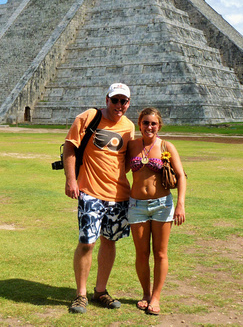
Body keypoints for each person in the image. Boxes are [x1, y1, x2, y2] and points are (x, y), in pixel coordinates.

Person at [63, 83, 135, 314]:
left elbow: (129, 161)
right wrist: (71, 180)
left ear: (129, 103)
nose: (119, 105)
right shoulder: (89, 117)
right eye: (115, 100)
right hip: (90, 192)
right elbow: (70, 147)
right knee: (87, 242)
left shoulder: (129, 127)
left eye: (124, 101)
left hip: (118, 195)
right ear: (107, 99)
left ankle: (100, 291)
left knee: (109, 241)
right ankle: (81, 294)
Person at [127, 107, 186, 316]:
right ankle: (145, 293)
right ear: (139, 124)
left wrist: (180, 204)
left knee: (160, 253)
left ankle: (156, 296)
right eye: (145, 123)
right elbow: (115, 168)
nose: (149, 127)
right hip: (136, 206)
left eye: (153, 123)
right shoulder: (132, 146)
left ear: (159, 126)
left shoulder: (166, 146)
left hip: (162, 205)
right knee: (142, 254)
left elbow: (181, 176)